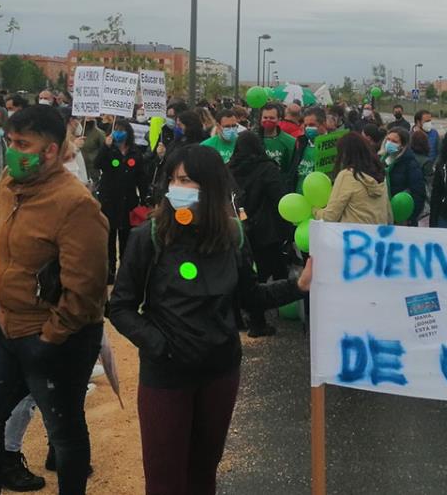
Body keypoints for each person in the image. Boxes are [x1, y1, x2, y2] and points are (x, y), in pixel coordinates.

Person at [108, 144, 311, 495]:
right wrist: (160, 346)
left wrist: (299, 286)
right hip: (166, 377)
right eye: (172, 179)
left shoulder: (233, 237)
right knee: (165, 478)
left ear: (211, 185)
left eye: (186, 180)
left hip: (220, 373)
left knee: (203, 472)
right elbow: (121, 307)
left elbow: (251, 298)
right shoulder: (149, 237)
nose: (176, 188)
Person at [0, 105, 108, 495]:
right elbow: (7, 253)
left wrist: (52, 337)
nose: (12, 150)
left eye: (22, 144)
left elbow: (87, 286)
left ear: (51, 150)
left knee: (64, 432)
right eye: (10, 141)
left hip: (55, 339)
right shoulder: (10, 188)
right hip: (4, 329)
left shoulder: (76, 205)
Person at [228, 132, 290, 338]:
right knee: (262, 276)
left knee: (242, 273)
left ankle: (238, 317)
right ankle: (258, 321)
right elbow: (279, 198)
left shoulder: (230, 169)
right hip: (265, 232)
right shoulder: (268, 168)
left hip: (238, 229)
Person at [95, 119, 148, 283]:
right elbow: (98, 164)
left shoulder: (135, 152)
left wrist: (145, 198)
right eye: (116, 129)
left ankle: (125, 274)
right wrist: (106, 146)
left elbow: (141, 178)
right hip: (109, 201)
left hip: (128, 202)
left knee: (126, 239)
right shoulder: (109, 151)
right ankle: (110, 272)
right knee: (109, 239)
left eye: (122, 130)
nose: (119, 133)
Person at [314, 132, 392, 224]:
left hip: (352, 235)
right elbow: (389, 216)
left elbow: (330, 216)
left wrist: (315, 211)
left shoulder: (347, 176)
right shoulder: (380, 176)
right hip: (376, 235)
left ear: (344, 154)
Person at [381, 128, 426, 224]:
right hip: (383, 214)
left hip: (401, 216)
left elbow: (418, 193)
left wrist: (410, 218)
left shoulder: (410, 163)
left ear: (402, 145)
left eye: (394, 141)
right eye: (388, 139)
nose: (389, 143)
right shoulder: (382, 160)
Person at [290, 107, 326, 192]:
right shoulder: (300, 143)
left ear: (323, 124)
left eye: (312, 125)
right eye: (305, 125)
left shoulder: (332, 147)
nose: (307, 128)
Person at [258, 103, 295, 169]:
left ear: (279, 120)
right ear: (261, 119)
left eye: (272, 118)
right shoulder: (252, 140)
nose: (268, 120)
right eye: (265, 117)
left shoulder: (290, 142)